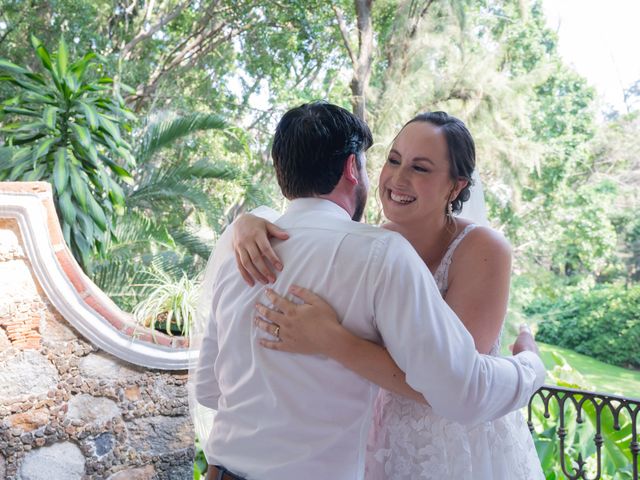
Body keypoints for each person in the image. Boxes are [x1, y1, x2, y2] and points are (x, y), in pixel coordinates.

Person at [191, 102, 545, 480]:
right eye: (392, 160)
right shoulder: (375, 249)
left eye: (420, 167)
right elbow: (456, 385)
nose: (397, 178)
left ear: (456, 186)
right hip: (371, 446)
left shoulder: (246, 249)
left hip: (447, 448)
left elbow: (209, 390)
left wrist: (331, 340)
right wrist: (530, 368)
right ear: (351, 167)